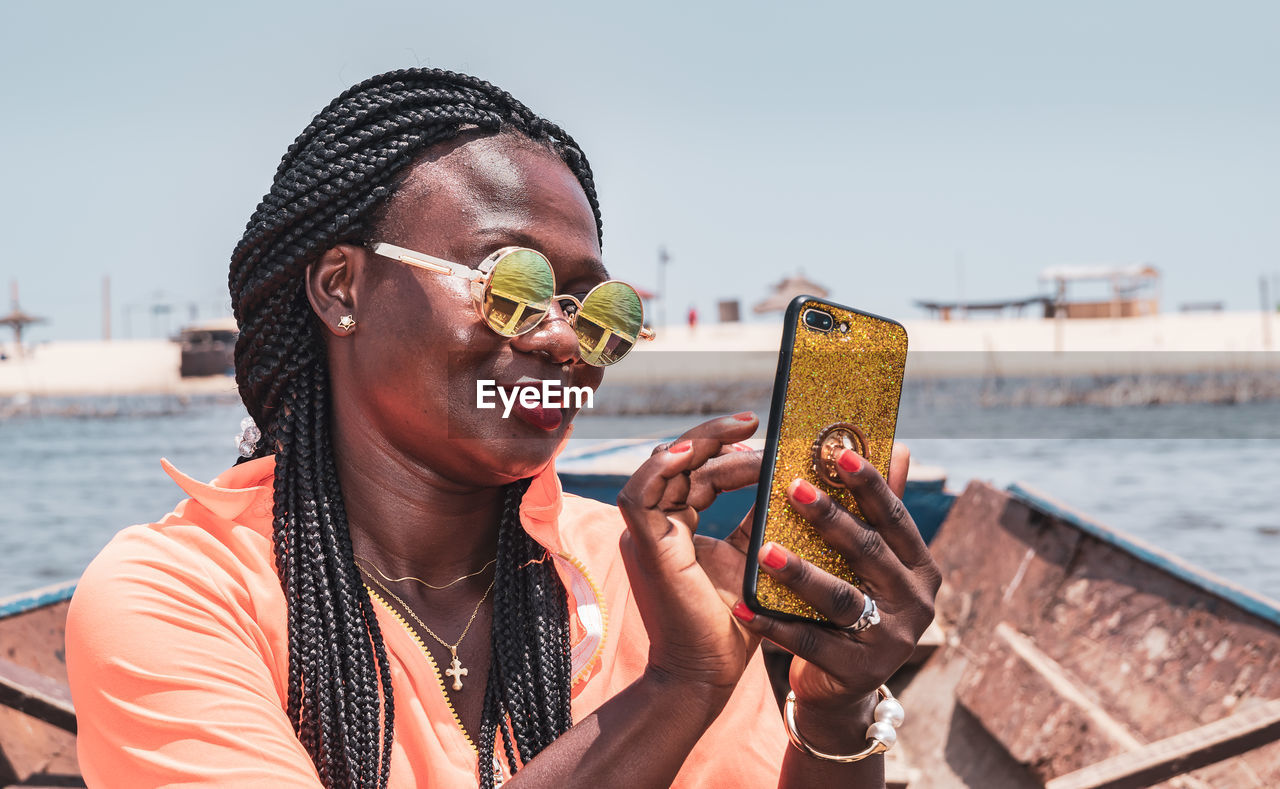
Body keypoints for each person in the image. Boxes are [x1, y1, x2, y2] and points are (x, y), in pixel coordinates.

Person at [65, 69, 941, 788]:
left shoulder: (636, 576)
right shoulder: (172, 594)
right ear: (342, 288)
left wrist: (833, 709)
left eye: (599, 311)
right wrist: (679, 686)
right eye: (509, 287)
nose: (564, 339)